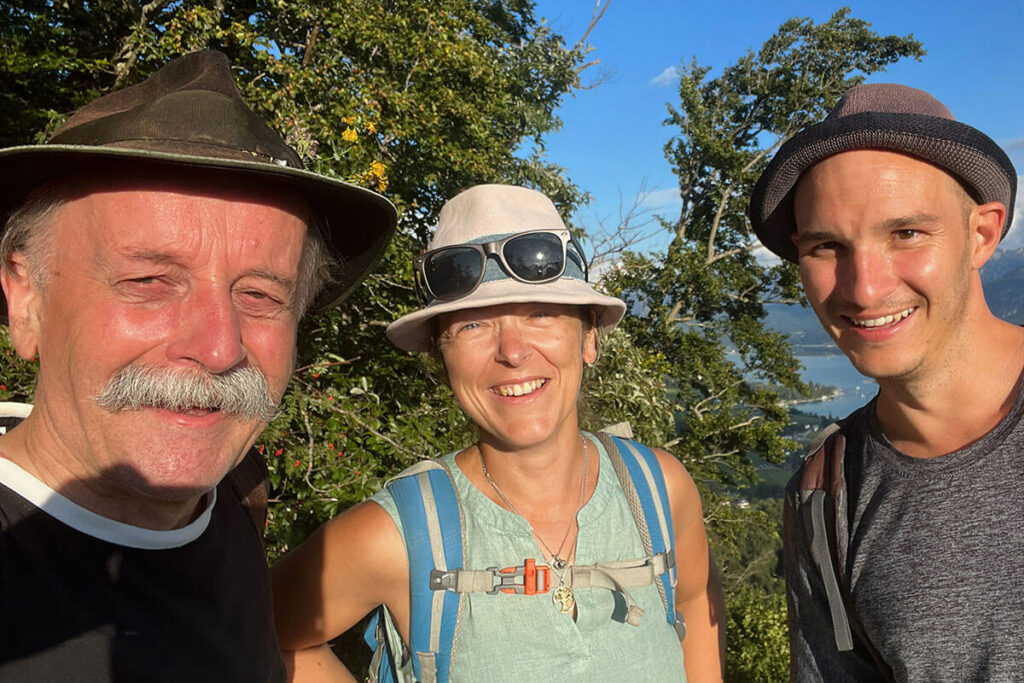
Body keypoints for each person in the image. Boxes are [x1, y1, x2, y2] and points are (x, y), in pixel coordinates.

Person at [0, 51, 396, 681]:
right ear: (27, 298)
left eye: (261, 296)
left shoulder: (230, 498)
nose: (219, 348)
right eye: (150, 280)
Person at [272, 184, 725, 681]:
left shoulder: (658, 490)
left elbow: (696, 602)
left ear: (589, 338)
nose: (512, 350)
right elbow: (260, 633)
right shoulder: (399, 534)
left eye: (542, 314)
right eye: (472, 326)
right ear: (442, 360)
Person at [749, 83, 1020, 681]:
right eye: (827, 246)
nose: (864, 289)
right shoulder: (825, 496)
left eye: (906, 233)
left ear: (982, 235)